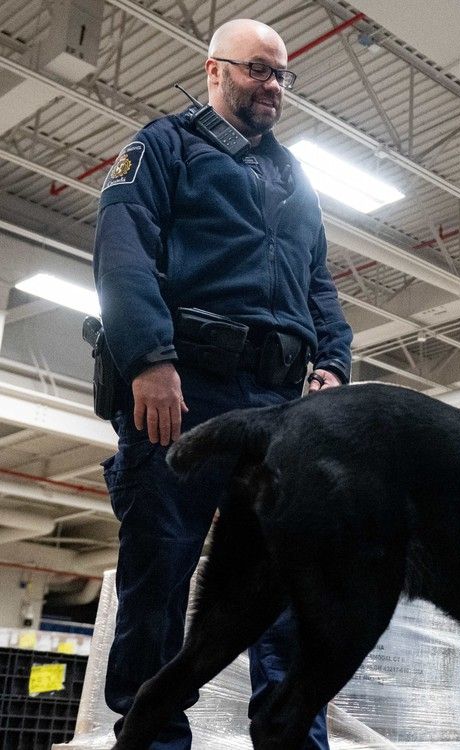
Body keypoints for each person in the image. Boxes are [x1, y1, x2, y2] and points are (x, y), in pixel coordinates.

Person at [92, 18, 352, 750]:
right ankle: (151, 738)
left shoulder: (294, 176)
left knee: (285, 588)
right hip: (185, 393)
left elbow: (319, 284)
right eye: (257, 70)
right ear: (214, 70)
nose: (272, 85)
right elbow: (122, 251)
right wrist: (147, 359)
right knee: (161, 580)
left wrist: (331, 363)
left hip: (279, 409)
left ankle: (291, 737)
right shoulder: (161, 146)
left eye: (281, 75)